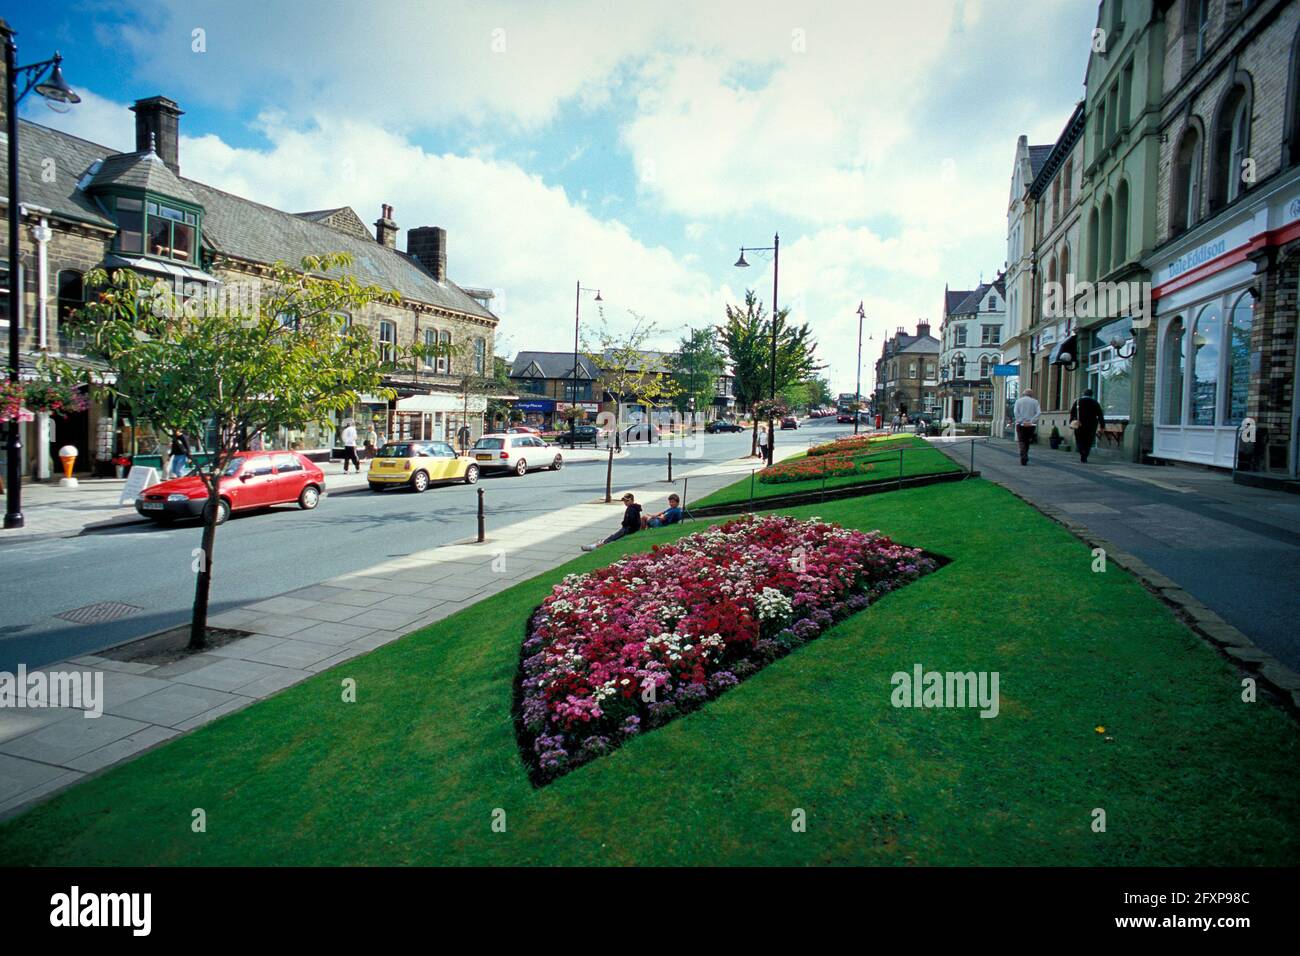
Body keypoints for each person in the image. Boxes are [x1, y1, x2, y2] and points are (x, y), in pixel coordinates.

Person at [1070, 388, 1107, 464]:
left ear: (1083, 394)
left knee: (1079, 439)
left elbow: (1072, 412)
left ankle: (1081, 452)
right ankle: (1085, 455)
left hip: (1079, 424)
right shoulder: (1095, 402)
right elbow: (1100, 414)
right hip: (1091, 425)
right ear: (1091, 395)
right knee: (1088, 441)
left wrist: (1071, 422)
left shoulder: (1078, 402)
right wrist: (1102, 425)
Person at [1013, 388, 1042, 466]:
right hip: (1031, 425)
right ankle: (1025, 455)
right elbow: (1039, 413)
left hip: (1020, 424)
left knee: (1021, 440)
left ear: (1023, 394)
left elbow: (1016, 412)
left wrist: (1021, 420)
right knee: (1027, 441)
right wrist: (1032, 421)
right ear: (1031, 394)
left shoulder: (1018, 401)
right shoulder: (1035, 402)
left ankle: (1024, 456)